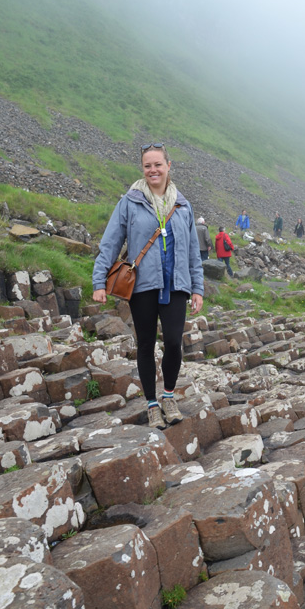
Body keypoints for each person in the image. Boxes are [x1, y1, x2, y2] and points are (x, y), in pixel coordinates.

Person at [92, 143, 204, 430]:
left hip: (177, 285)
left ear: (169, 166)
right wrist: (99, 281)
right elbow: (110, 243)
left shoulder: (183, 205)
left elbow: (193, 251)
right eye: (147, 166)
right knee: (145, 344)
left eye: (158, 164)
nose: (153, 170)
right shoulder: (129, 202)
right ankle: (152, 404)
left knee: (173, 343)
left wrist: (198, 288)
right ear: (143, 169)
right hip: (142, 286)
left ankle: (169, 396)